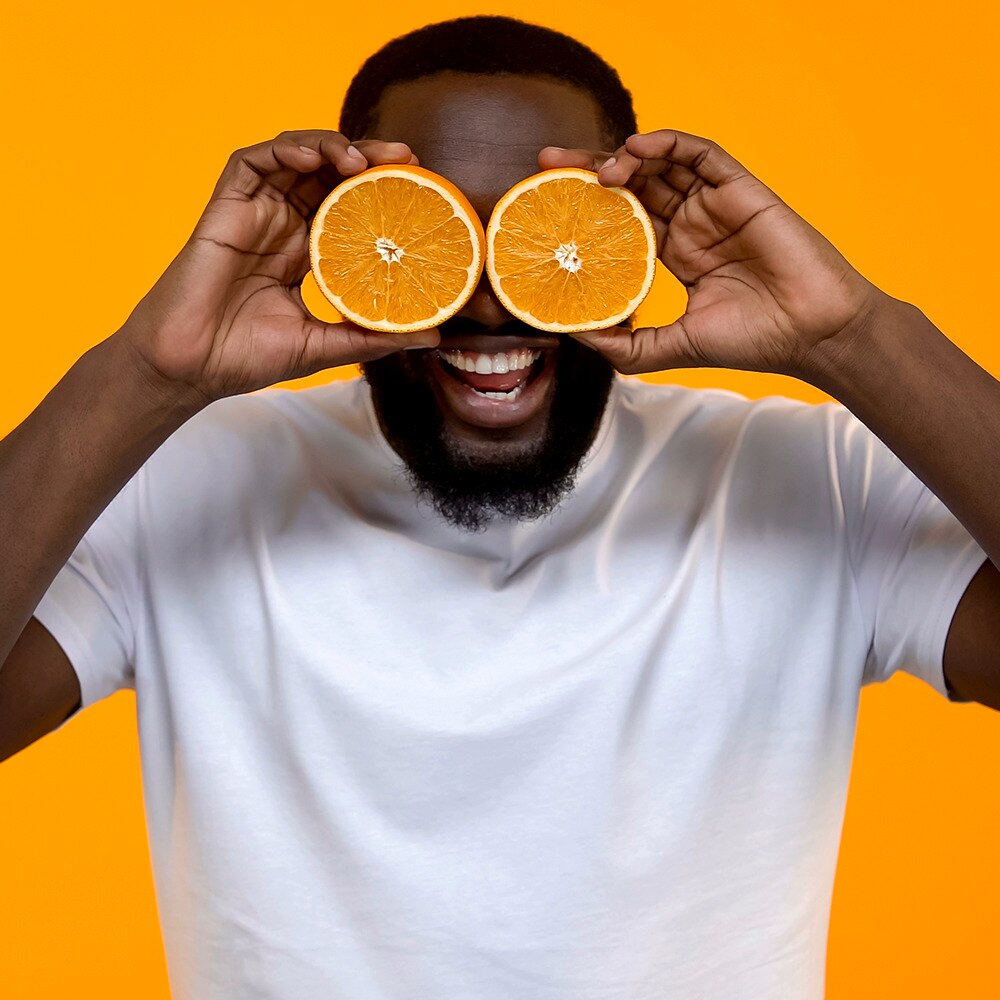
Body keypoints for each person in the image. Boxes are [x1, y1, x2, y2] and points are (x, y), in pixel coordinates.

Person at [1, 13, 997, 999]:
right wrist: (145, 372)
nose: (486, 303)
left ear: (630, 239)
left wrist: (850, 334)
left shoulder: (809, 481)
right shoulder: (183, 485)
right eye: (439, 233)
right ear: (349, 239)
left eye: (543, 231)